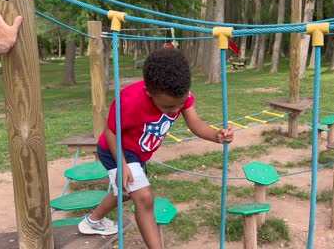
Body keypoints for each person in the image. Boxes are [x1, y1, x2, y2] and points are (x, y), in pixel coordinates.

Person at [78, 48, 234, 248]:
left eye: (181, 104)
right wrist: (123, 165)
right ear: (149, 93)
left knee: (125, 192)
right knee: (144, 198)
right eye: (169, 108)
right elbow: (110, 131)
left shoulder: (179, 93)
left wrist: (216, 135)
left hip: (137, 153)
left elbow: (195, 123)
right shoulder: (130, 101)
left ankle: (92, 221)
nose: (176, 110)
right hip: (115, 149)